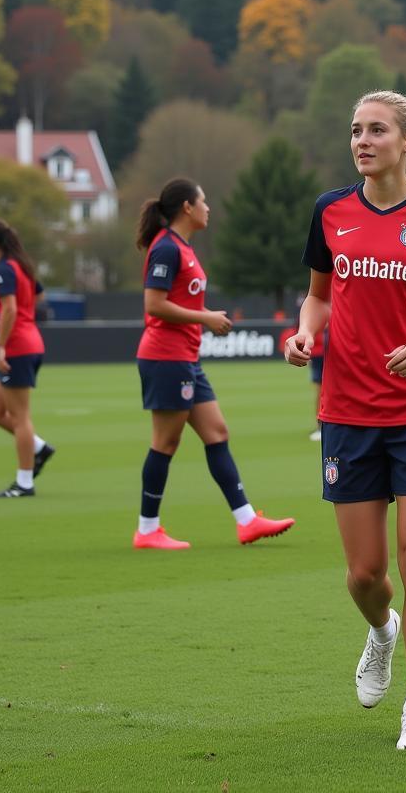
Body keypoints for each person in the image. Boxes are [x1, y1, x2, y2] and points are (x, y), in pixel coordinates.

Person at [285, 90, 406, 752]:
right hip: (346, 410)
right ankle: (381, 632)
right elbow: (317, 298)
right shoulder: (330, 211)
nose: (362, 140)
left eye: (376, 130)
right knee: (365, 576)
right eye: (355, 130)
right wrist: (303, 334)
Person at [133, 177, 295, 550]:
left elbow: (177, 302)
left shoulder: (182, 248)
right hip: (165, 357)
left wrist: (203, 316)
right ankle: (146, 529)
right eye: (203, 201)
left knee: (217, 432)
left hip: (186, 358)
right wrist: (204, 318)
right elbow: (153, 305)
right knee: (165, 442)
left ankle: (247, 521)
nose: (209, 208)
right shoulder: (167, 249)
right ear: (187, 208)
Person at [0, 219, 55, 497]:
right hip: (28, 342)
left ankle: (24, 483)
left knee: (19, 417)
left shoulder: (4, 269)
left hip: (18, 348)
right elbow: (34, 299)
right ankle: (38, 448)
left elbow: (11, 310)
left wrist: (0, 344)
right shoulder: (21, 266)